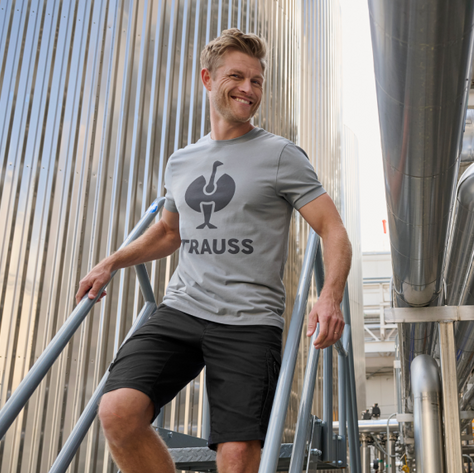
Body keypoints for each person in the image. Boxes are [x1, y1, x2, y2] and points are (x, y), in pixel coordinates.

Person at [74, 28, 352, 473]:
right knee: (117, 412)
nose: (248, 88)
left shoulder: (281, 155)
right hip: (183, 308)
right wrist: (112, 262)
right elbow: (168, 232)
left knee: (238, 456)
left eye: (257, 81)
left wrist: (329, 295)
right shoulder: (182, 160)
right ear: (207, 78)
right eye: (237, 77)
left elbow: (333, 231)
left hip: (250, 320)